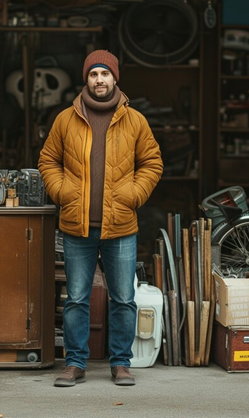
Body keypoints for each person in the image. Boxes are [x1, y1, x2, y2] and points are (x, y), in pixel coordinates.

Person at [39, 49, 163, 388]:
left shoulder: (135, 120)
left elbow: (152, 163)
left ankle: (121, 363)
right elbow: (47, 161)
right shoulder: (66, 119)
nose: (99, 80)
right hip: (77, 227)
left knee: (123, 298)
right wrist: (63, 192)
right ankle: (75, 363)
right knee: (76, 298)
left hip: (120, 226)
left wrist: (133, 195)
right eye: (93, 74)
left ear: (115, 78)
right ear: (86, 79)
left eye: (104, 74)